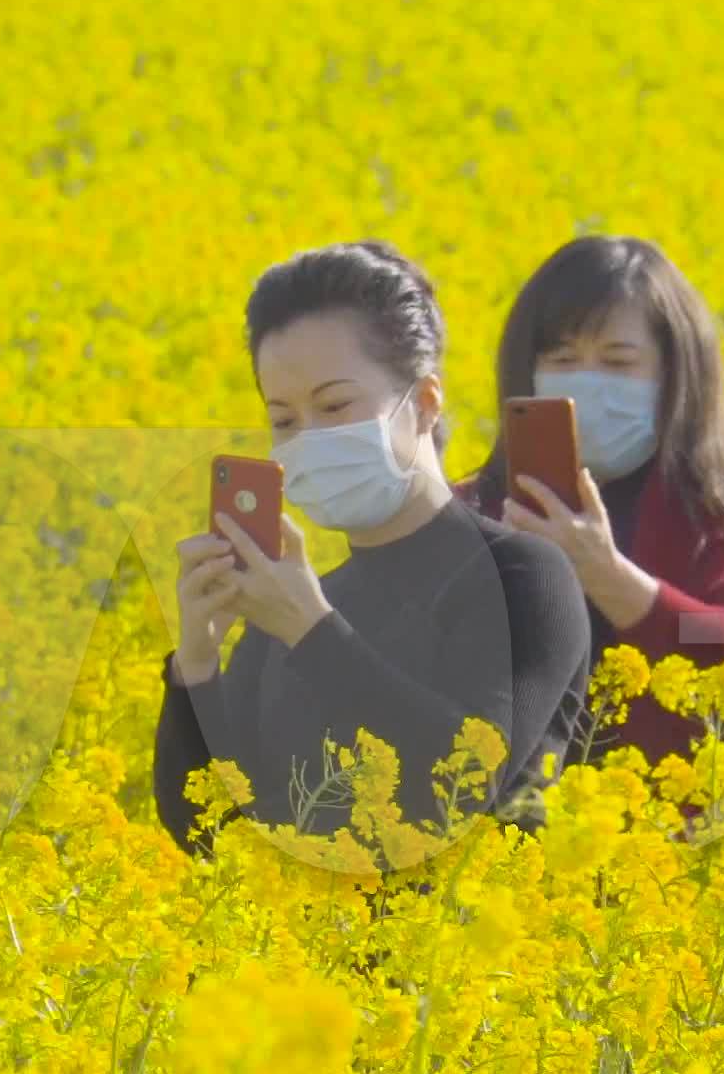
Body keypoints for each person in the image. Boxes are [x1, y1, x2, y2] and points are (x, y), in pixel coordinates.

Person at [154, 242, 591, 856]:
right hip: (298, 950)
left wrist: (312, 632)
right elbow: (203, 832)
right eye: (284, 420)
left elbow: (464, 785)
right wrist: (196, 664)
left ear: (425, 403)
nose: (309, 439)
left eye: (335, 406)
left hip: (468, 946)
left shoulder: (520, 575)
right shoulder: (297, 607)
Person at [462, 236, 724, 770]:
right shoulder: (471, 507)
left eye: (617, 362)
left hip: (680, 841)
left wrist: (606, 575)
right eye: (563, 359)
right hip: (509, 843)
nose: (586, 382)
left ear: (677, 374)